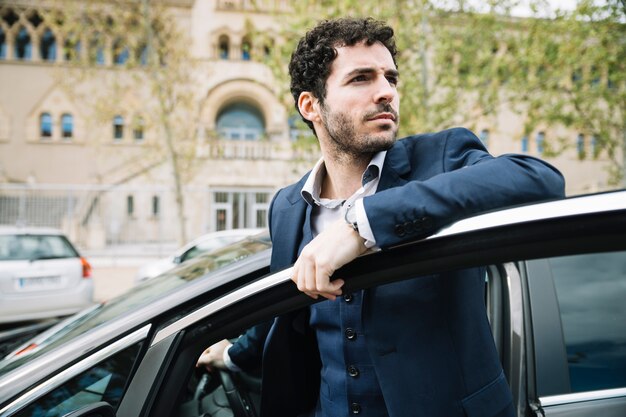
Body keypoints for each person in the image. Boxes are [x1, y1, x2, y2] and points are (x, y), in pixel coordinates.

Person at [205, 17, 565, 417]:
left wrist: (364, 225)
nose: (386, 93)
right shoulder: (287, 207)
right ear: (311, 106)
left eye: (390, 78)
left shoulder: (443, 156)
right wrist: (232, 356)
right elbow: (282, 308)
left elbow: (540, 180)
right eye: (361, 78)